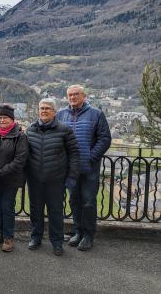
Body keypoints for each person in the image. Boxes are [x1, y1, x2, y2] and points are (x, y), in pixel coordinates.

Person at [57, 85, 111, 251]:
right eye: (70, 95)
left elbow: (105, 139)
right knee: (74, 200)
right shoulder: (61, 114)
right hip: (69, 168)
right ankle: (78, 231)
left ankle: (88, 235)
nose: (72, 97)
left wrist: (90, 157)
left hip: (89, 168)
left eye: (76, 94)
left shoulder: (96, 114)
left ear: (84, 96)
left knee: (88, 201)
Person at [26, 98, 80, 256]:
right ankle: (36, 238)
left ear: (54, 112)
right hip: (35, 178)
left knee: (55, 212)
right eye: (41, 108)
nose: (44, 110)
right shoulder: (30, 129)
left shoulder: (64, 130)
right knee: (35, 210)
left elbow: (74, 154)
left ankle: (57, 242)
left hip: (56, 179)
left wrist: (72, 176)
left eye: (47, 108)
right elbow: (25, 154)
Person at [0, 104, 29, 252]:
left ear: (12, 119)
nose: (2, 120)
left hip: (10, 179)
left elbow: (20, 160)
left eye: (5, 117)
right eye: (0, 117)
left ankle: (8, 237)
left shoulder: (20, 136)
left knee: (7, 207)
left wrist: (0, 173)